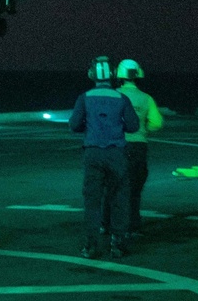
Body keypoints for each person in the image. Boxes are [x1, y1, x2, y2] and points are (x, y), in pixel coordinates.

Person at [69, 55, 139, 259]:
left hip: (93, 153)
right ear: (112, 74)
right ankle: (118, 243)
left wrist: (89, 127)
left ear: (92, 74)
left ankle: (90, 245)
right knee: (119, 198)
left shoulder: (84, 97)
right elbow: (133, 126)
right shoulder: (121, 98)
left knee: (92, 201)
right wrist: (117, 127)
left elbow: (74, 125)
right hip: (117, 154)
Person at [112, 58, 163, 237]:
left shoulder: (114, 96)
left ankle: (111, 224)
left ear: (118, 76)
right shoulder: (146, 98)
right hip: (139, 146)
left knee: (115, 186)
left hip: (117, 146)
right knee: (135, 189)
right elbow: (157, 122)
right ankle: (133, 225)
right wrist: (143, 129)